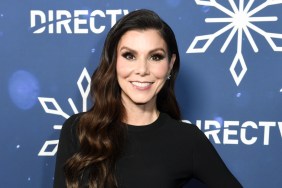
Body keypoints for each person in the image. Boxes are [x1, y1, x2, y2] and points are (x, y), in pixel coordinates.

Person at [53, 9, 242, 188]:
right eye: (129, 56)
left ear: (170, 65)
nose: (142, 70)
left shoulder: (188, 140)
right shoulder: (78, 130)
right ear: (113, 61)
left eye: (155, 57)